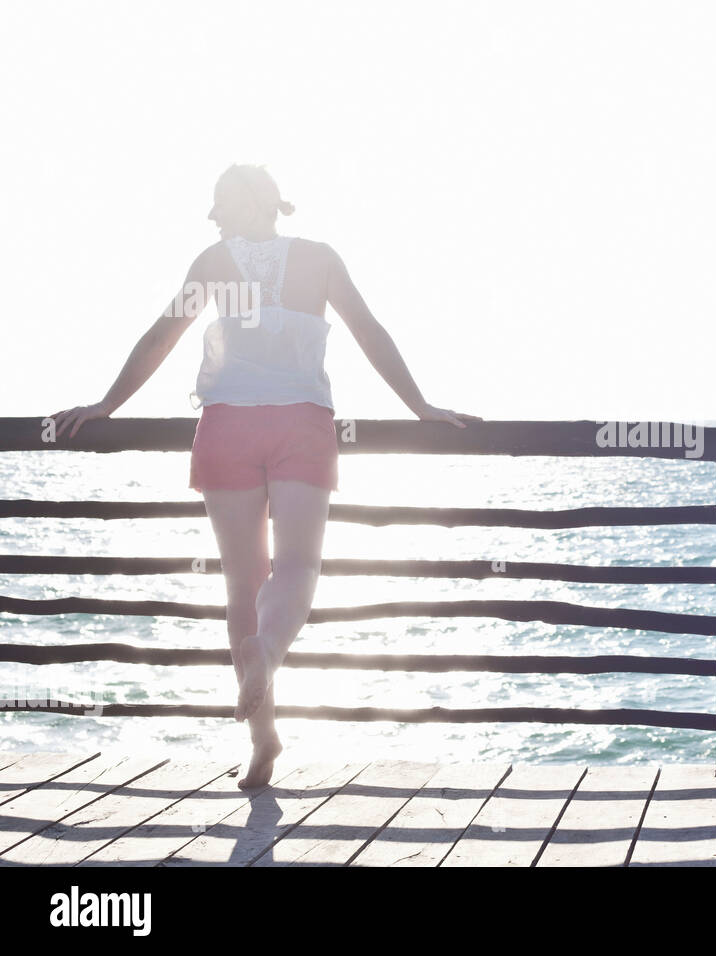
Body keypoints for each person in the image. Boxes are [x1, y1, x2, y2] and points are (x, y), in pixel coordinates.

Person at [49, 164, 480, 789]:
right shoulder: (321, 259)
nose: (212, 217)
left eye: (219, 203)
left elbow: (161, 336)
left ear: (249, 202)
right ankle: (269, 653)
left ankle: (263, 739)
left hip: (227, 426)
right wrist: (422, 408)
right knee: (298, 567)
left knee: (241, 584)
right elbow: (370, 332)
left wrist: (104, 407)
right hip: (301, 422)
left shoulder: (212, 263)